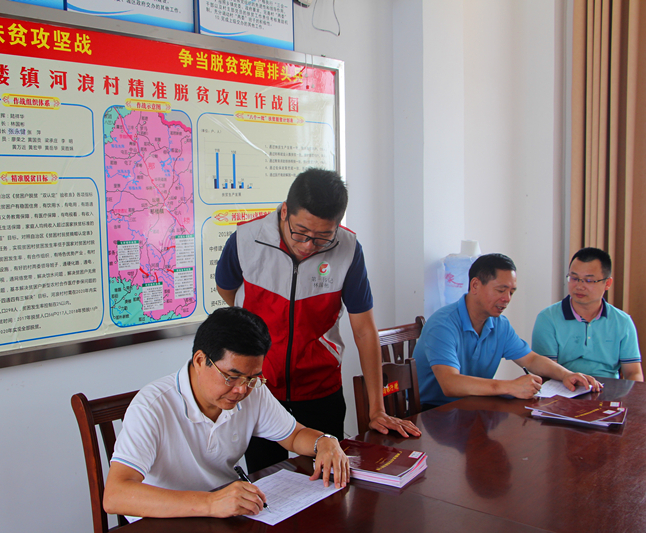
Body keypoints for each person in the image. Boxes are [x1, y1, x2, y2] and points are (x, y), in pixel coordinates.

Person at [215, 168, 420, 473]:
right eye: (300, 232)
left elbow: (364, 330)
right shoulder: (246, 240)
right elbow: (227, 289)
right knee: (267, 484)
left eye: (323, 237)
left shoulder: (348, 249)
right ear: (285, 211)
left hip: (321, 388)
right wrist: (254, 329)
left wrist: (377, 408)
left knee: (328, 482)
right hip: (259, 389)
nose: (308, 245)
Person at [104, 307, 350, 520]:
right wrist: (211, 503)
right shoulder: (152, 407)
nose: (241, 389)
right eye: (231, 377)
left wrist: (324, 441)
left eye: (252, 378)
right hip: (166, 520)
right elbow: (115, 495)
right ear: (200, 361)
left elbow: (294, 436)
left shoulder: (252, 391)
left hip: (223, 517)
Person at [414, 253, 601, 408]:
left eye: (511, 292)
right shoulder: (443, 324)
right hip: (433, 414)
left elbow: (531, 359)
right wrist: (509, 386)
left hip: (473, 406)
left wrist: (566, 374)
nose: (507, 299)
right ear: (475, 285)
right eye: (501, 290)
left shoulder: (499, 324)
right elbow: (450, 384)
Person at [531, 247, 644, 381]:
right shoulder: (548, 319)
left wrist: (632, 394)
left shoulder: (622, 322)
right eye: (574, 278)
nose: (579, 286)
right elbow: (546, 371)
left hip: (608, 388)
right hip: (563, 385)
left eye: (589, 280)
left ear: (607, 283)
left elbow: (633, 373)